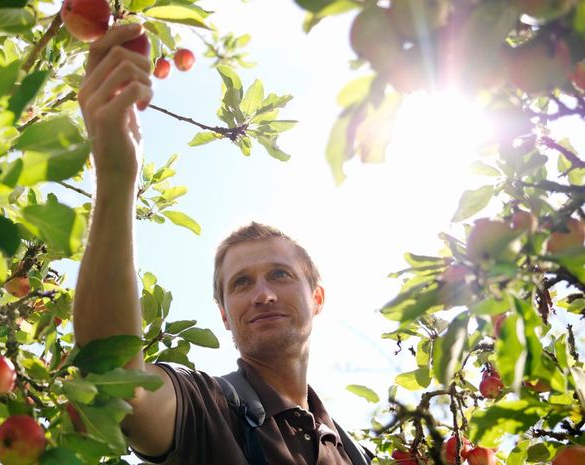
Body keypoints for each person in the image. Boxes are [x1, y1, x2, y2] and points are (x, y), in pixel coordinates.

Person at [73, 23, 373, 465]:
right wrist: (118, 176)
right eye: (240, 284)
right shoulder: (208, 408)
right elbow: (114, 377)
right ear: (224, 317)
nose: (263, 294)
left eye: (280, 274)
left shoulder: (353, 452)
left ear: (318, 297)